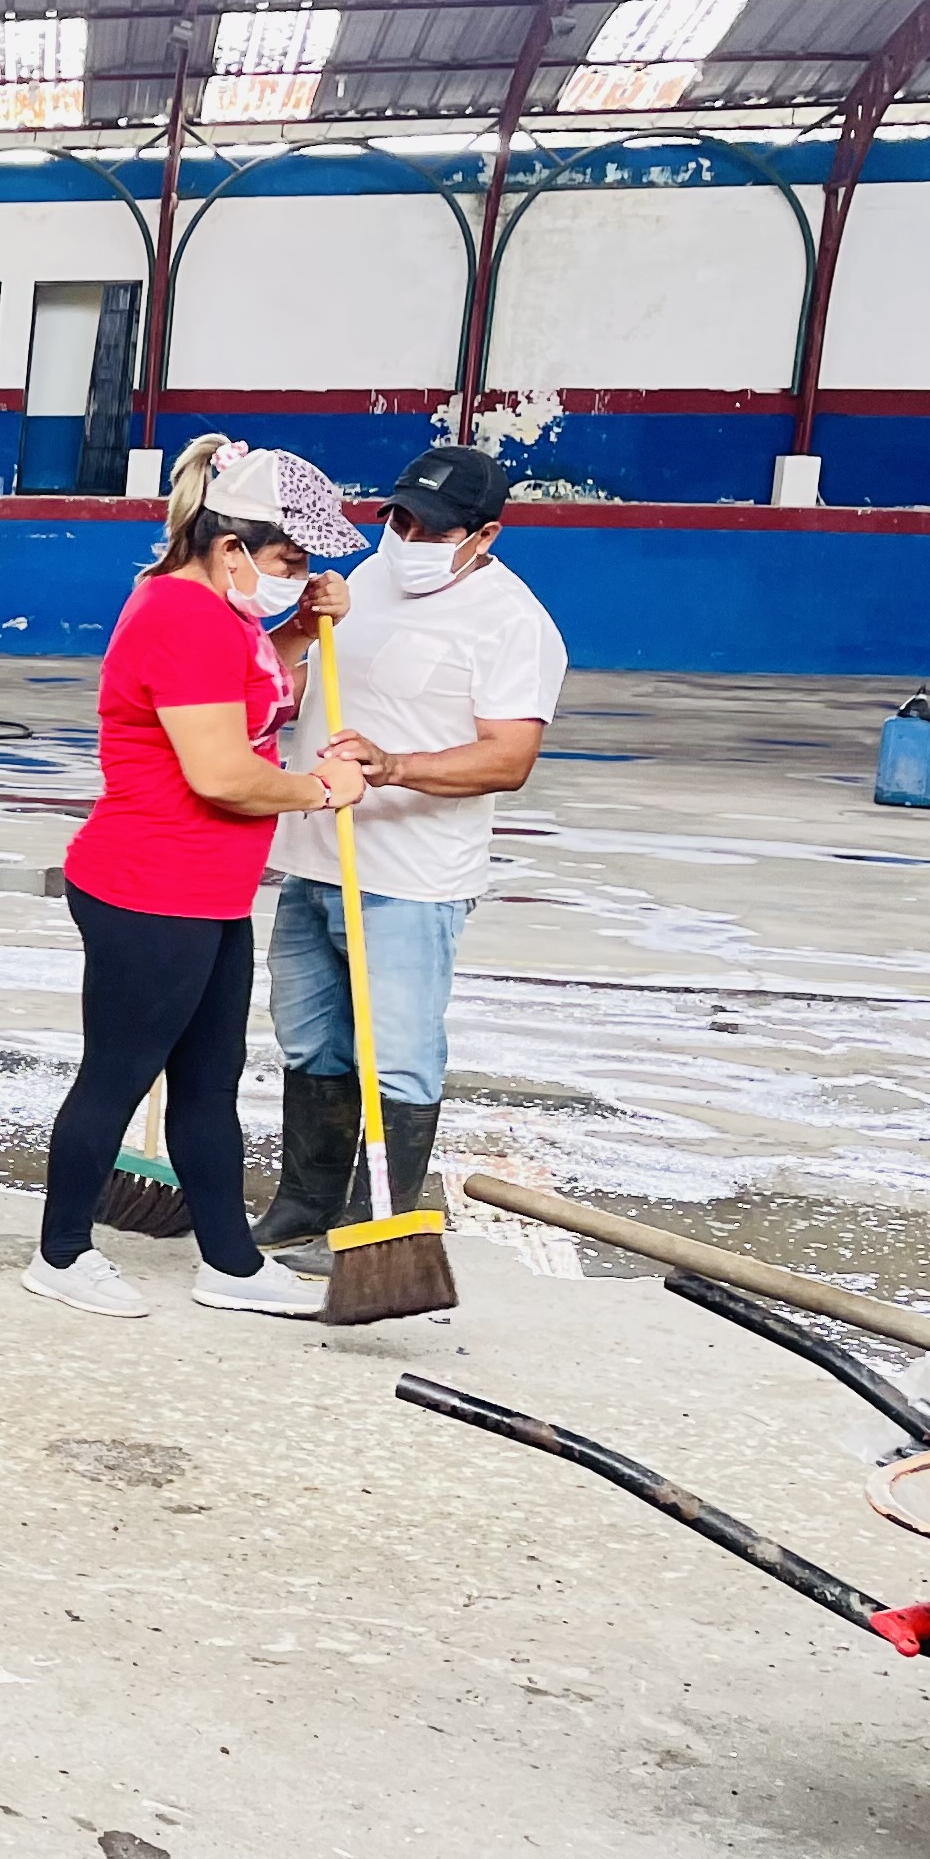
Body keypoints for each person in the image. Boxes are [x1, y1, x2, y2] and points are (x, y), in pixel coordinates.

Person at [29, 436, 373, 1322]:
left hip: (208, 889)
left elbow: (250, 688)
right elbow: (221, 773)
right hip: (148, 888)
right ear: (230, 549)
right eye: (290, 562)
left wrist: (301, 627)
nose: (300, 576)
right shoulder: (180, 618)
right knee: (116, 1076)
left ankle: (230, 1262)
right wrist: (319, 788)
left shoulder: (219, 614)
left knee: (210, 1082)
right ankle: (61, 1254)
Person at [254, 441, 567, 1260]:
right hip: (314, 857)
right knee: (310, 1041)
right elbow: (290, 685)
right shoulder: (362, 582)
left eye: (433, 529)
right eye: (400, 519)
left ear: (484, 535)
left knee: (395, 1058)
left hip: (412, 879)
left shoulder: (513, 624)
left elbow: (509, 758)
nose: (409, 539)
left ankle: (373, 1228)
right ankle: (303, 1205)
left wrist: (393, 767)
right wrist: (299, 627)